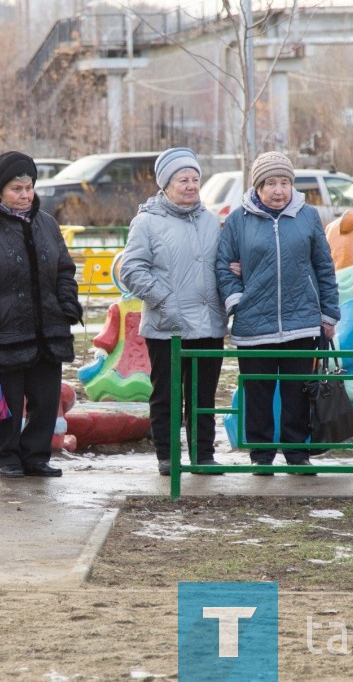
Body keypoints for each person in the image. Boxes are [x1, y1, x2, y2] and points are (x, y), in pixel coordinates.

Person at [0, 151, 83, 478]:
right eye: (17, 189)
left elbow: (64, 268)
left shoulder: (46, 223)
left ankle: (37, 456)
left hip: (47, 329)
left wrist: (67, 302)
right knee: (6, 402)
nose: (25, 195)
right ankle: (6, 457)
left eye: (29, 188)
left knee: (45, 399)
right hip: (1, 331)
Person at [215, 151, 340, 474]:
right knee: (257, 391)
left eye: (284, 182)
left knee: (298, 390)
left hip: (302, 323)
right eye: (270, 183)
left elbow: (324, 266)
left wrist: (329, 314)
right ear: (257, 186)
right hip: (254, 322)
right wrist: (236, 300)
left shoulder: (308, 216)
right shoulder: (238, 220)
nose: (278, 190)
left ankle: (297, 452)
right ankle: (261, 454)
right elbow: (222, 264)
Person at [119, 147, 227, 476]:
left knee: (204, 395)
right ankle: (167, 455)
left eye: (195, 179)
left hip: (209, 324)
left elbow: (222, 264)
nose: (191, 185)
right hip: (168, 325)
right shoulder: (147, 223)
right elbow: (131, 269)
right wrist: (165, 299)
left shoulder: (211, 221)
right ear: (166, 183)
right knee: (167, 394)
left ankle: (203, 454)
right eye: (183, 179)